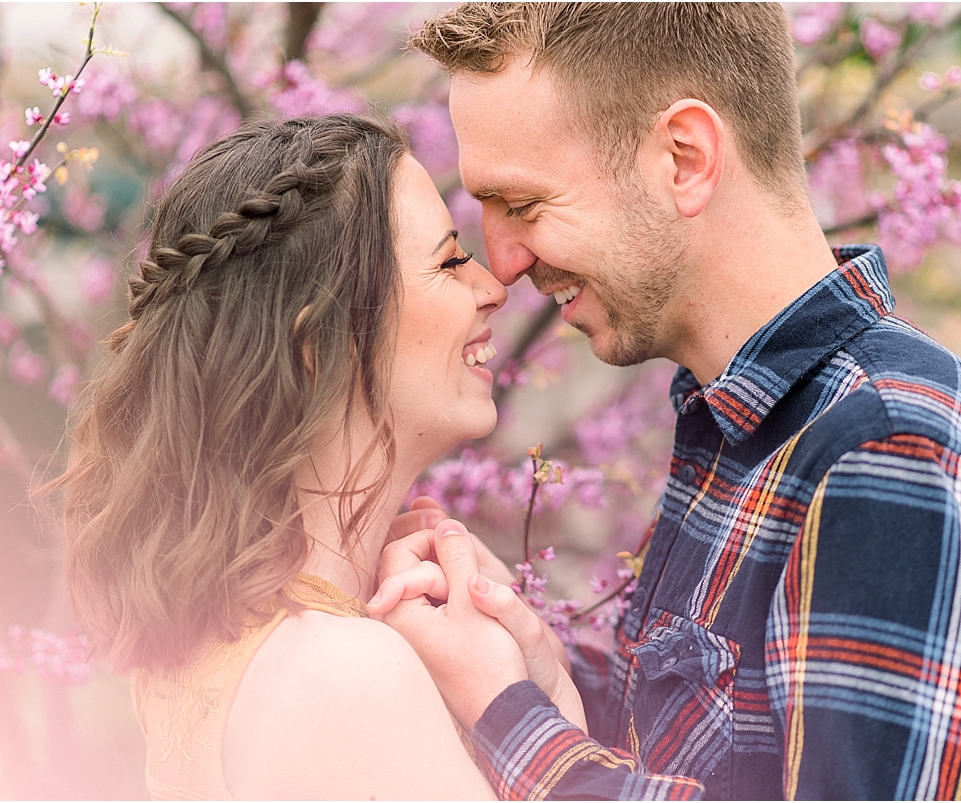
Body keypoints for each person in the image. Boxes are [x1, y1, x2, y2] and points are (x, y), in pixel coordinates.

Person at [369, 4, 961, 800]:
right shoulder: (749, 423)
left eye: (524, 205)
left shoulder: (893, 450)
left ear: (685, 157)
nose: (502, 260)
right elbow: (711, 755)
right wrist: (531, 655)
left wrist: (505, 713)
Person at [52, 114, 586, 799]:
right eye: (450, 260)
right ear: (320, 344)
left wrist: (544, 687)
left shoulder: (241, 641)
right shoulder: (341, 671)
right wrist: (516, 698)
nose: (492, 286)